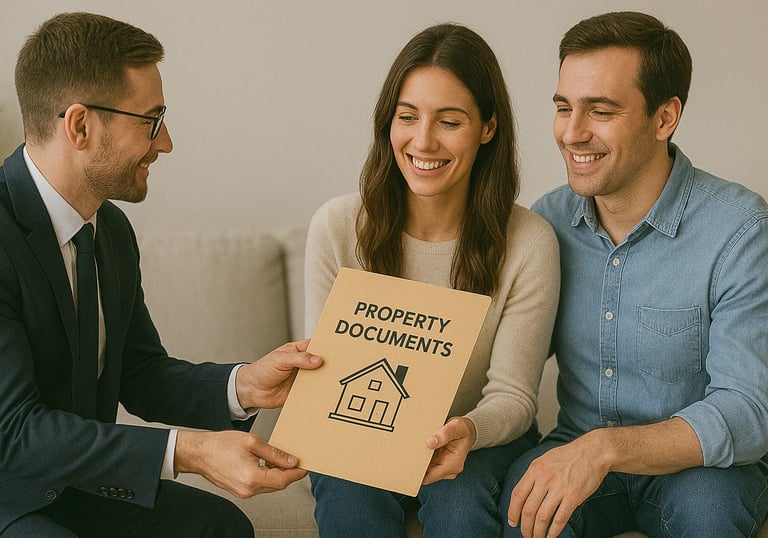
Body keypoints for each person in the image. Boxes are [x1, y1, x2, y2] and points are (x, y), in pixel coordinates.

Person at [0, 12, 324, 537]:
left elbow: (140, 374)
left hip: (80, 486)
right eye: (149, 120)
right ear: (79, 125)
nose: (165, 141)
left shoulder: (111, 232)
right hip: (10, 495)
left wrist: (245, 385)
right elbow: (13, 432)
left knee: (221, 529)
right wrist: (191, 451)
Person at [500, 11, 768, 538]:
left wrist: (606, 449)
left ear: (664, 118)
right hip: (573, 444)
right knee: (524, 510)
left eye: (600, 111)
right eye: (562, 107)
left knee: (708, 515)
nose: (572, 132)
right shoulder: (545, 223)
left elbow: (750, 410)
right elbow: (499, 358)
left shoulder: (741, 230)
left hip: (703, 471)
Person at [304, 23, 560, 537]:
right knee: (348, 498)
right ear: (388, 123)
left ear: (487, 128)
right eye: (407, 117)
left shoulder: (529, 240)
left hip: (481, 436)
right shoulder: (337, 227)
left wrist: (465, 429)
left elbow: (513, 396)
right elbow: (323, 379)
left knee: (461, 505)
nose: (423, 141)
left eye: (449, 121)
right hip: (363, 432)